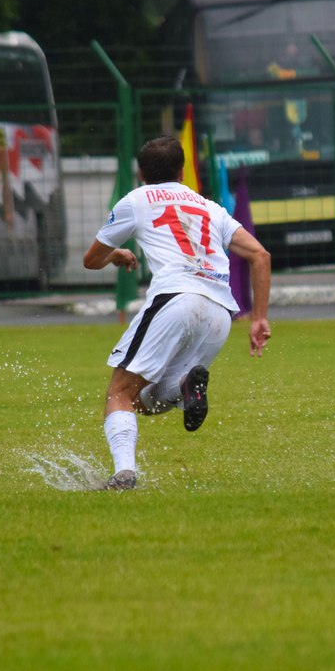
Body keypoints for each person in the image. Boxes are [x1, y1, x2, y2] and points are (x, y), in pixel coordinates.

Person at [83, 134, 272, 490]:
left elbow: (90, 260)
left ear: (140, 173)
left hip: (176, 298)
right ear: (182, 171)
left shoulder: (136, 200)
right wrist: (259, 317)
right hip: (220, 313)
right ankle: (184, 388)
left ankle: (124, 475)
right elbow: (261, 256)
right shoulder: (209, 206)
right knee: (147, 401)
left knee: (119, 393)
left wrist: (115, 255)